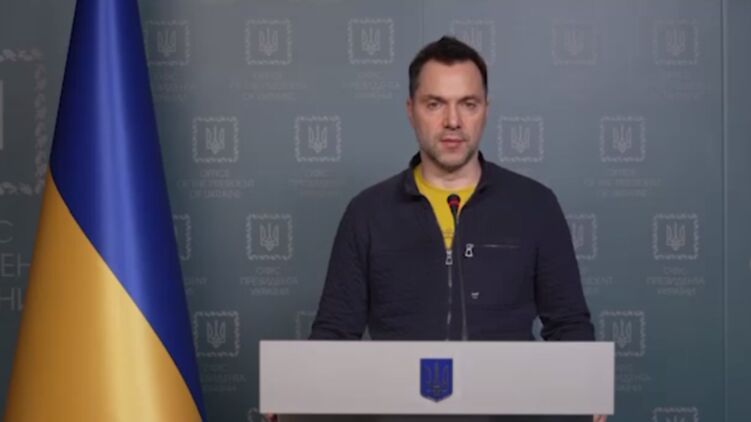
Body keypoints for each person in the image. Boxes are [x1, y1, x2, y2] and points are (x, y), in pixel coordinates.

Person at [305, 37, 604, 422]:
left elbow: (568, 324)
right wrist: (296, 392)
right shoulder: (367, 213)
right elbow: (334, 333)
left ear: (486, 110)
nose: (453, 121)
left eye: (468, 104)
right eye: (435, 104)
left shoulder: (535, 205)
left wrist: (587, 388)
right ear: (411, 110)